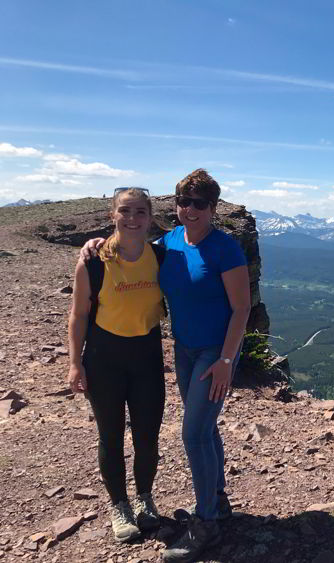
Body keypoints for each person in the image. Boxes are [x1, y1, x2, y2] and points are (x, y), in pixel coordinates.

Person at [81, 170, 251, 563]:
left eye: (200, 204)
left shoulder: (225, 248)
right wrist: (95, 244)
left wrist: (227, 360)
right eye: (183, 202)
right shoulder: (169, 243)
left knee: (193, 434)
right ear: (176, 205)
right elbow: (131, 244)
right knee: (204, 428)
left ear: (212, 208)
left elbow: (242, 307)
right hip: (186, 350)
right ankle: (218, 500)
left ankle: (205, 522)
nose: (190, 210)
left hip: (215, 352)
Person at [68, 187, 166, 543]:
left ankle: (145, 499)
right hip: (104, 358)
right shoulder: (93, 261)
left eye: (141, 211)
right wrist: (74, 363)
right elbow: (78, 315)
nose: (133, 218)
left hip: (147, 356)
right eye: (125, 211)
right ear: (113, 215)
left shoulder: (161, 255)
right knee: (110, 436)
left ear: (150, 216)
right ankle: (119, 505)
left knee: (147, 436)